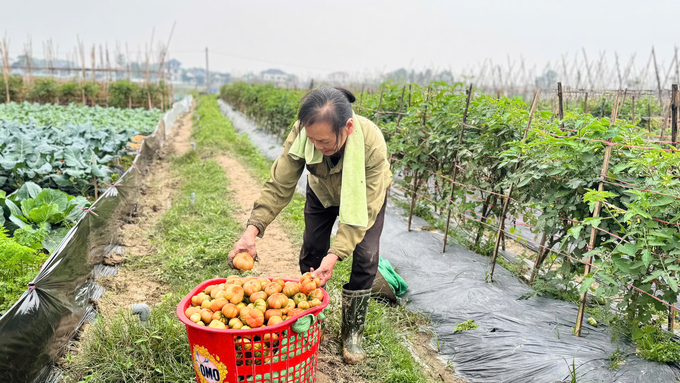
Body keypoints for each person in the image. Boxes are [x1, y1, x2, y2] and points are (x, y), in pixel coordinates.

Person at [228, 87, 392, 364]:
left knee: (365, 256)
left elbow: (362, 211)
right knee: (313, 249)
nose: (317, 147)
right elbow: (280, 183)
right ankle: (314, 314)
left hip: (364, 195)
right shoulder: (303, 132)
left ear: (347, 127)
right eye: (312, 140)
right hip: (323, 191)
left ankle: (352, 332)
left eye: (325, 141)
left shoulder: (371, 142)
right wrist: (251, 231)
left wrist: (336, 254)